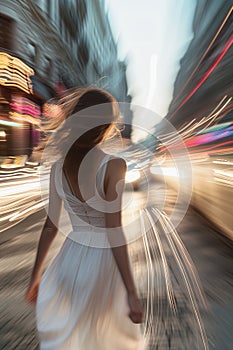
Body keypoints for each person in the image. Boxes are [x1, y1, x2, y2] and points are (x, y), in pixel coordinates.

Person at [26, 87, 146, 349]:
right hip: (103, 264)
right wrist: (132, 293)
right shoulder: (114, 166)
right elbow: (114, 230)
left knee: (76, 336)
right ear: (106, 126)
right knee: (104, 338)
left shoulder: (58, 167)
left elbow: (50, 227)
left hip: (69, 261)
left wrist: (35, 276)